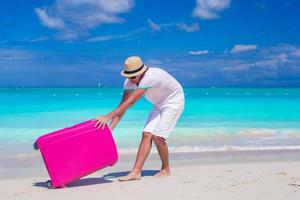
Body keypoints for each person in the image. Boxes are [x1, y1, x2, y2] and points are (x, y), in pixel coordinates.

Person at [94, 56, 185, 181]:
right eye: (128, 76)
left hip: (174, 101)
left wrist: (107, 116)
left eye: (133, 76)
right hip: (159, 104)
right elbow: (123, 106)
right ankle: (136, 172)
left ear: (141, 72)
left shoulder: (150, 77)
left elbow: (130, 102)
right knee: (146, 134)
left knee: (158, 137)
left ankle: (166, 168)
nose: (130, 79)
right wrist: (111, 128)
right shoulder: (129, 82)